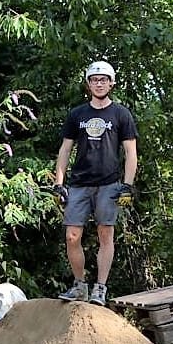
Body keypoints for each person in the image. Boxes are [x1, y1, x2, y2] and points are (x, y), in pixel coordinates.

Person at [54, 60, 138, 306]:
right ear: (88, 84)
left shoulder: (121, 114)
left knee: (105, 234)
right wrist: (59, 183)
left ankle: (100, 288)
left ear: (111, 83)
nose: (99, 83)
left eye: (103, 79)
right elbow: (65, 149)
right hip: (79, 183)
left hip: (109, 184)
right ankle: (80, 286)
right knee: (72, 236)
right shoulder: (77, 114)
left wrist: (128, 185)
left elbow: (131, 153)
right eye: (94, 80)